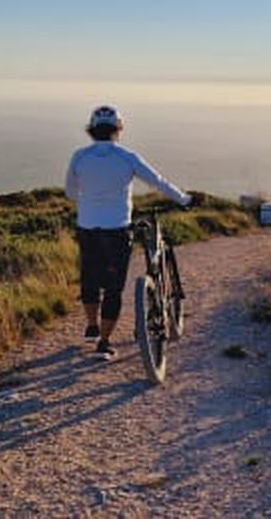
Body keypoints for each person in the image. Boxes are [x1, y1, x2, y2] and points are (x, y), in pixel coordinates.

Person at [65, 105, 194, 359]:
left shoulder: (79, 156)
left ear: (92, 130)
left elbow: (70, 192)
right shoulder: (127, 157)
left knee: (90, 279)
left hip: (88, 227)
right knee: (113, 288)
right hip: (117, 229)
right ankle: (103, 343)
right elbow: (158, 182)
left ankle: (91, 325)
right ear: (118, 129)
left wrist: (90, 202)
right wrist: (185, 199)